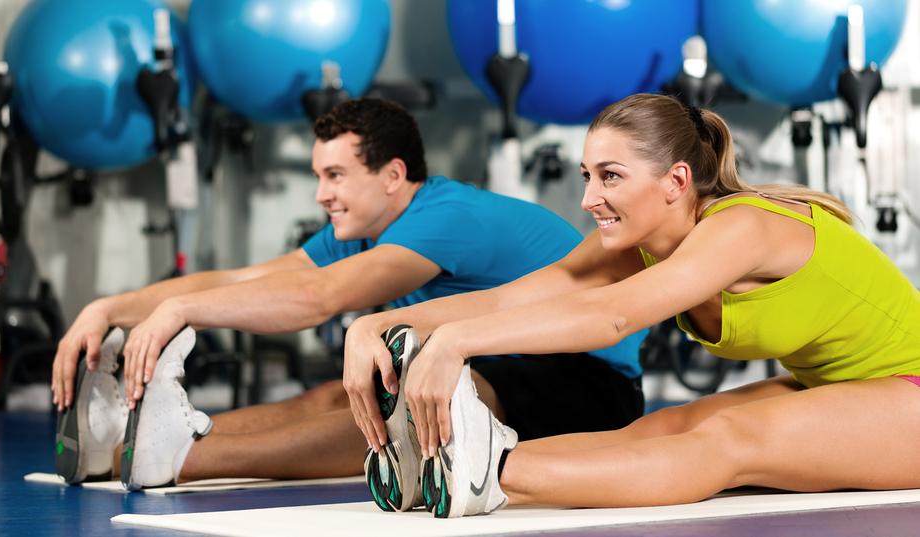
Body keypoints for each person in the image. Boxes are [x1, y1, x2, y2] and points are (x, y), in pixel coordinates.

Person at [344, 93, 920, 518]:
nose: (590, 198)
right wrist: (379, 323)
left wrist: (458, 343)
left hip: (909, 390)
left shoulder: (742, 228)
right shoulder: (636, 239)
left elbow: (612, 316)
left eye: (611, 177)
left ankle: (485, 471)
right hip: (845, 388)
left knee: (732, 440)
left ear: (676, 180)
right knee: (665, 427)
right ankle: (439, 464)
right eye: (587, 176)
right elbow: (505, 300)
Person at [50, 98, 647, 507]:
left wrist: (180, 313)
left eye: (335, 175)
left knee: (413, 405)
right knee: (342, 394)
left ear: (392, 175)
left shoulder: (447, 215)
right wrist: (111, 308)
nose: (321, 194)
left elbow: (318, 298)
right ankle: (146, 442)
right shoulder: (360, 229)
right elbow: (242, 280)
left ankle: (183, 458)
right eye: (318, 175)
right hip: (488, 364)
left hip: (588, 384)